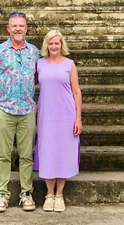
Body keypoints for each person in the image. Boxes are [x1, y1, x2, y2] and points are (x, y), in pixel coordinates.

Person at [0, 12, 40, 213]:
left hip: (26, 110)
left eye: (21, 26)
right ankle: (2, 195)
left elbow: (36, 77)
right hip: (4, 110)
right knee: (4, 155)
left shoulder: (33, 51)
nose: (18, 29)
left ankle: (26, 194)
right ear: (8, 28)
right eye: (14, 25)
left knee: (26, 155)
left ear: (26, 28)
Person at [34, 30, 82, 213]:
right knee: (47, 151)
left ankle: (59, 194)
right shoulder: (39, 64)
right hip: (47, 115)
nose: (54, 47)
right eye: (51, 44)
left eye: (57, 43)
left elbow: (76, 92)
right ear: (46, 45)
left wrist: (78, 118)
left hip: (66, 115)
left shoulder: (70, 65)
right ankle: (49, 194)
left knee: (63, 152)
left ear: (62, 45)